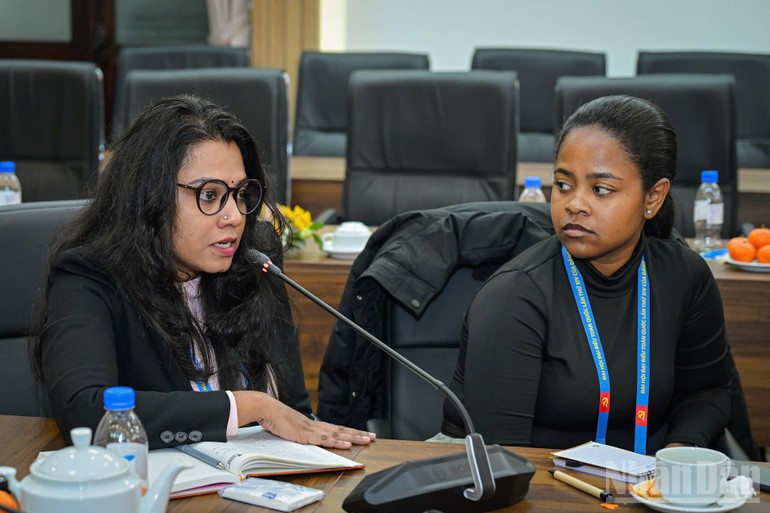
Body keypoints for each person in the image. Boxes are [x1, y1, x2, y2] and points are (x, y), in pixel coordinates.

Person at [32, 95, 374, 450]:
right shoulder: (90, 276)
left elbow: (293, 408)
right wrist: (248, 405)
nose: (234, 217)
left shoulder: (255, 255)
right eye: (209, 195)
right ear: (151, 196)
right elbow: (85, 410)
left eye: (240, 194)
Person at [440, 95, 731, 453]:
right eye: (563, 185)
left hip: (644, 490)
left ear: (653, 198)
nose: (574, 204)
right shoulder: (513, 297)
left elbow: (709, 390)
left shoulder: (684, 276)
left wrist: (681, 449)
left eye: (600, 189)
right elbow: (502, 460)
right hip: (533, 488)